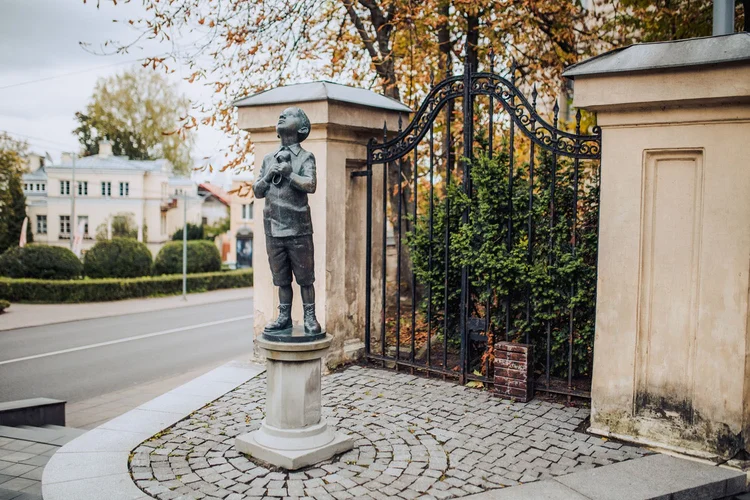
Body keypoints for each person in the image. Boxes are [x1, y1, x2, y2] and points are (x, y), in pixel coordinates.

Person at [252, 107, 322, 336]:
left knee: (305, 278)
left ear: (301, 128)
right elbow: (258, 191)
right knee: (281, 278)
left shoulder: (305, 157)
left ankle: (310, 316)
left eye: (290, 115)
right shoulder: (268, 158)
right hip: (273, 228)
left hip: (298, 229)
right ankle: (284, 316)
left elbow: (310, 185)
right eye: (281, 114)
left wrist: (290, 174)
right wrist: (267, 174)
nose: (282, 116)